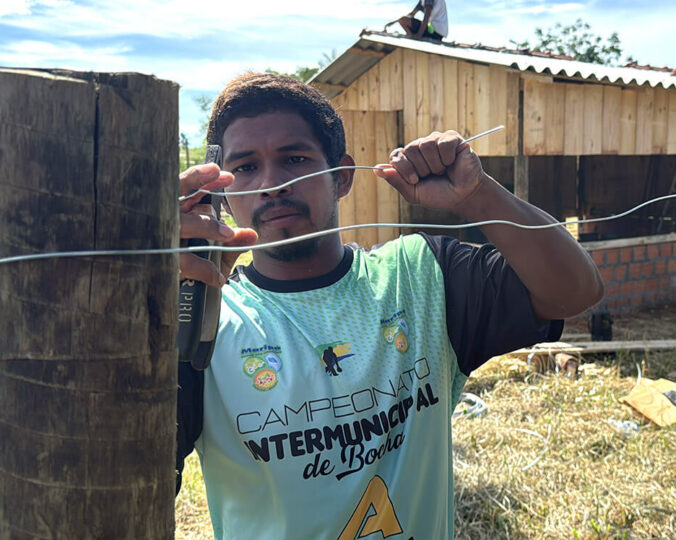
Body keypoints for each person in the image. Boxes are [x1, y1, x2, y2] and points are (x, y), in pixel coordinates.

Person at [176, 72, 603, 539]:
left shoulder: (420, 279)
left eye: (294, 159)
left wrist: (476, 195)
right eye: (245, 168)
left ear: (341, 176)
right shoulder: (201, 323)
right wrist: (149, 290)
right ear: (219, 192)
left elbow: (576, 291)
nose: (272, 184)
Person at [385, 0, 449, 41]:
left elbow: (427, 16)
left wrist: (419, 34)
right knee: (402, 20)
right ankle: (411, 36)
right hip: (436, 32)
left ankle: (413, 37)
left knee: (403, 21)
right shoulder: (422, 1)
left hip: (435, 32)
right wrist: (395, 22)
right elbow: (412, 14)